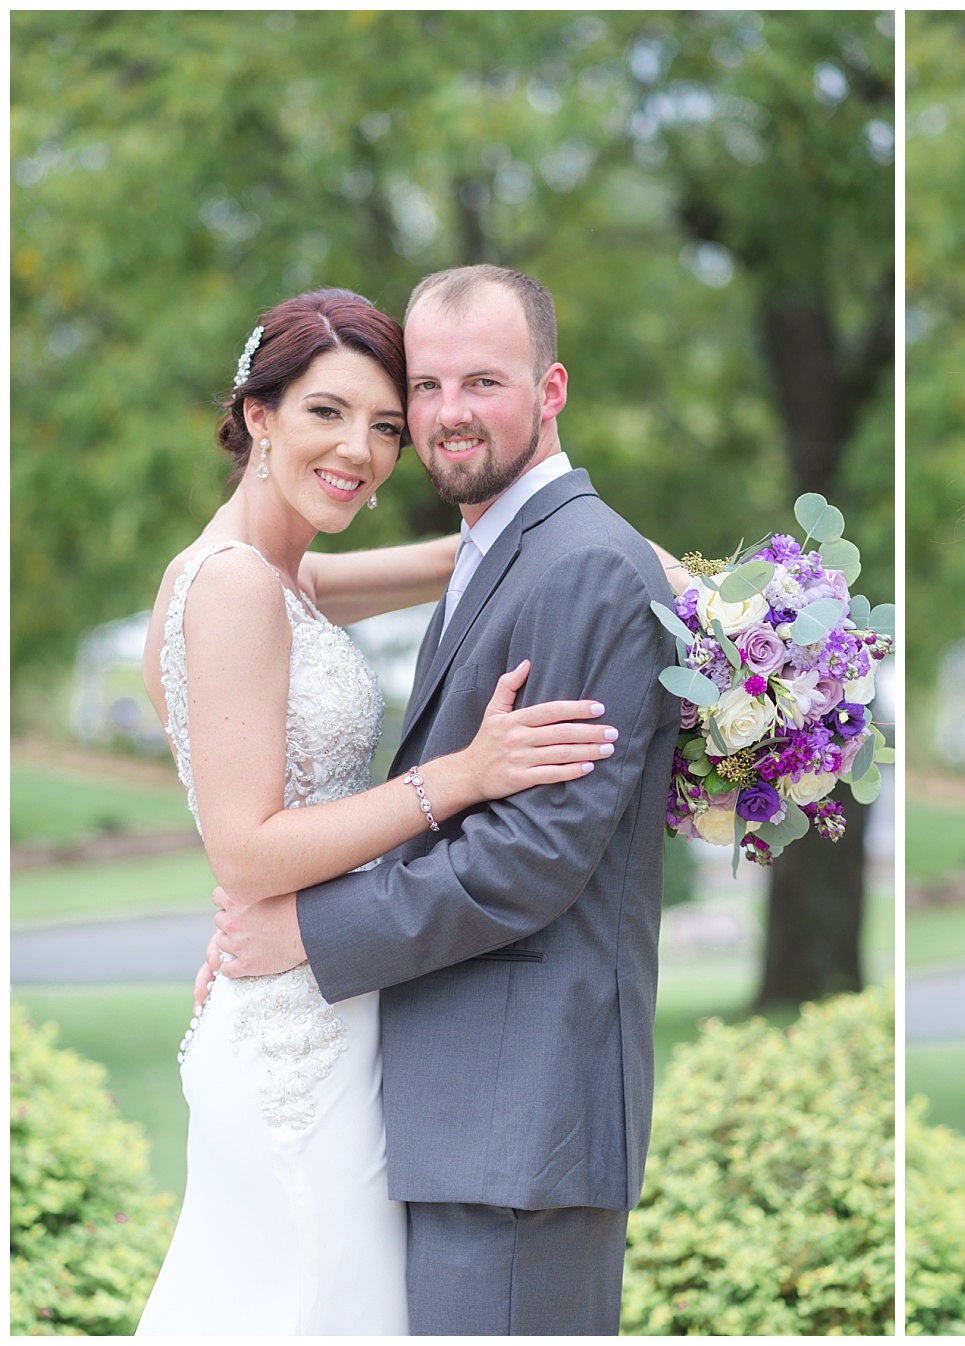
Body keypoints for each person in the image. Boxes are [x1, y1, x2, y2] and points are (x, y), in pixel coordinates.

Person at [135, 288, 625, 1334]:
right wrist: (460, 774)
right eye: (326, 412)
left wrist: (724, 605)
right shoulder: (231, 584)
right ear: (257, 414)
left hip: (335, 1002)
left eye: (386, 424)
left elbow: (491, 551)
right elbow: (246, 849)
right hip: (292, 1028)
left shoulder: (291, 573)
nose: (360, 449)